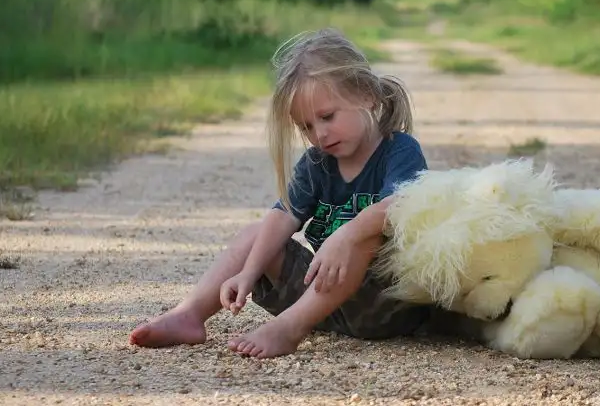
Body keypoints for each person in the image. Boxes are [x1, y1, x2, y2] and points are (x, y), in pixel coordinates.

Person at [128, 28, 434, 358]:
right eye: (306, 126)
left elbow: (399, 206)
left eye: (327, 117)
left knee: (366, 237)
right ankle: (189, 314)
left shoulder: (399, 150)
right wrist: (248, 272)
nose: (320, 134)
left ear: (367, 96)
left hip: (385, 305)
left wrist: (347, 235)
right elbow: (283, 216)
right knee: (256, 234)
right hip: (323, 301)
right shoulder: (318, 162)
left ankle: (289, 328)